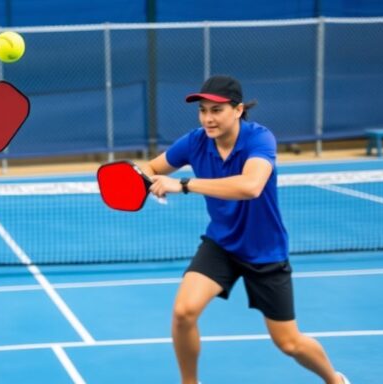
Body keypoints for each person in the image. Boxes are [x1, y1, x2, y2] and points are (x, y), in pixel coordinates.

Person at [143, 75, 350, 384]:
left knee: (289, 343)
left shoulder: (259, 139)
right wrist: (147, 181)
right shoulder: (195, 141)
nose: (208, 119)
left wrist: (183, 184)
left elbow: (251, 186)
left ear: (237, 110)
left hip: (265, 251)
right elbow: (150, 168)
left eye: (217, 110)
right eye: (203, 110)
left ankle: (335, 380)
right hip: (222, 244)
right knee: (184, 312)